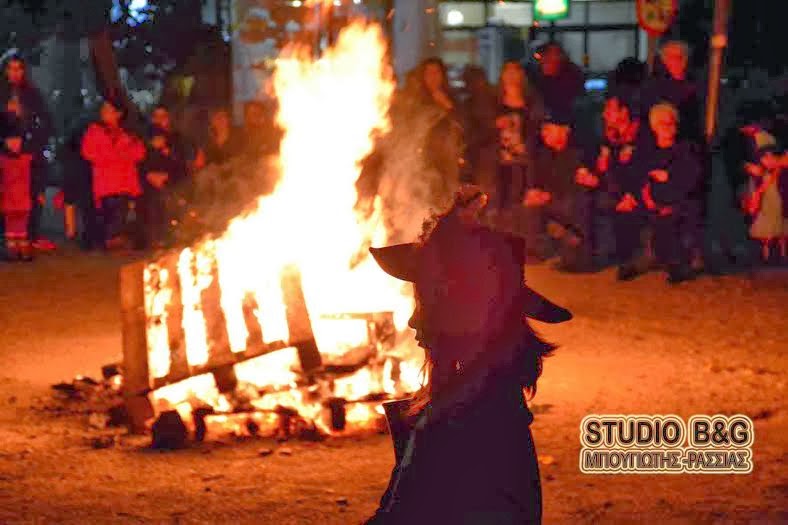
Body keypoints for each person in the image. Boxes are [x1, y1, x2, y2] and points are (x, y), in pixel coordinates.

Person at [364, 186, 571, 525]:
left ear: (458, 311)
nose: (413, 319)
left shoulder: (456, 418)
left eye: (426, 303)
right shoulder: (497, 398)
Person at [634, 103, 703, 283]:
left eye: (672, 123)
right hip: (653, 202)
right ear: (654, 127)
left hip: (678, 203)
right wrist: (647, 197)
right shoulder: (648, 152)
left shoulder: (686, 149)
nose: (670, 128)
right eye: (664, 124)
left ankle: (680, 263)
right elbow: (641, 178)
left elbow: (692, 179)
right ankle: (650, 255)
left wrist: (669, 177)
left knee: (676, 218)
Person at [0, 55, 54, 251]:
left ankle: (29, 235)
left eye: (18, 69)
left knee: (30, 194)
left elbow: (44, 122)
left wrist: (30, 142)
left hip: (28, 152)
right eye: (10, 69)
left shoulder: (32, 94)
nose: (14, 73)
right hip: (4, 152)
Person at [524, 114, 589, 270]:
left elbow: (577, 186)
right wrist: (536, 192)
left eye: (548, 129)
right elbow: (541, 180)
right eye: (543, 130)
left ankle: (573, 248)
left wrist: (549, 196)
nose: (544, 133)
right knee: (529, 205)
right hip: (554, 199)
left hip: (572, 202)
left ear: (564, 131)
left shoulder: (578, 154)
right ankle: (538, 250)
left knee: (569, 205)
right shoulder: (546, 154)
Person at [81, 98, 146, 250]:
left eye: (108, 110)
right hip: (104, 182)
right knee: (108, 209)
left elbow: (139, 153)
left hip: (124, 181)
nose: (104, 113)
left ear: (118, 114)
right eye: (103, 109)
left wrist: (115, 154)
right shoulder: (94, 131)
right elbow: (89, 152)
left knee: (122, 209)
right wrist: (117, 155)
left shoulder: (129, 134)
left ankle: (118, 238)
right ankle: (110, 239)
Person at [493, 61, 544, 217]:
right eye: (507, 72)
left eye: (515, 72)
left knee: (521, 204)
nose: (511, 76)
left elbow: (537, 127)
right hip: (499, 160)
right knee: (501, 202)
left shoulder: (531, 100)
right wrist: (494, 124)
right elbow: (481, 126)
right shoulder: (493, 100)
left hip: (524, 160)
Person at [139, 124, 188, 249]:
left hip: (170, 189)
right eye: (155, 139)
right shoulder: (145, 155)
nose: (158, 141)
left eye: (160, 138)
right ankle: (155, 239)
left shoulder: (171, 155)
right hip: (149, 191)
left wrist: (166, 176)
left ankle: (170, 237)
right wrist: (150, 176)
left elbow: (181, 172)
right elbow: (142, 171)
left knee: (170, 202)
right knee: (155, 204)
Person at [742, 144, 785, 263]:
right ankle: (767, 253)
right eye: (765, 157)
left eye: (769, 157)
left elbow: (768, 183)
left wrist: (758, 192)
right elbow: (755, 172)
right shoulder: (764, 170)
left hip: (776, 198)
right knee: (768, 226)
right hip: (767, 199)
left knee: (778, 225)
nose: (767, 160)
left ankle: (781, 253)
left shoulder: (777, 169)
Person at [0, 116, 34, 261]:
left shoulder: (28, 157)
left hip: (23, 197)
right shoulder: (2, 159)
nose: (14, 143)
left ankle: (23, 248)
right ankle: (12, 249)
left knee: (22, 224)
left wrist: (37, 191)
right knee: (10, 224)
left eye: (17, 140)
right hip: (8, 197)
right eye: (10, 140)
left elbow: (35, 175)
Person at [529, 43, 584, 126]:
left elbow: (573, 105)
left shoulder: (572, 75)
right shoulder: (535, 77)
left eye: (554, 55)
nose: (548, 60)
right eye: (546, 56)